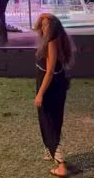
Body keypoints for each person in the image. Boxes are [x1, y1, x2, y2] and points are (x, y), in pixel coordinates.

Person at [34, 13, 74, 177]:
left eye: (47, 25)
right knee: (50, 119)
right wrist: (44, 17)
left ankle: (61, 165)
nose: (43, 28)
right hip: (55, 85)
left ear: (54, 27)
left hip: (50, 86)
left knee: (50, 121)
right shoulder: (57, 38)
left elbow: (49, 72)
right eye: (43, 25)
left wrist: (40, 94)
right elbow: (36, 27)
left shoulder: (51, 42)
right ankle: (50, 151)